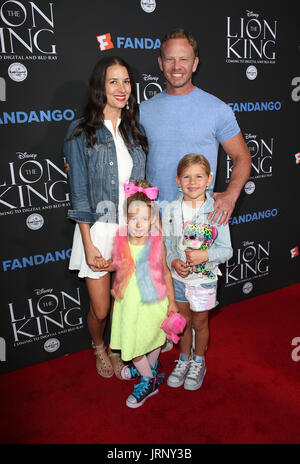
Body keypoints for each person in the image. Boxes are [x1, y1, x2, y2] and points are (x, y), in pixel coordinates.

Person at [63, 56, 147, 380]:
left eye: (126, 81)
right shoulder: (81, 131)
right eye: (113, 81)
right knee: (101, 308)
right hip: (97, 230)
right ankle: (98, 344)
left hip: (131, 231)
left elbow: (140, 184)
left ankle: (114, 347)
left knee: (124, 304)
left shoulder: (134, 129)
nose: (121, 88)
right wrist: (88, 244)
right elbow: (79, 192)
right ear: (100, 86)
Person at [140, 28, 251, 226]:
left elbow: (242, 157)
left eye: (184, 59)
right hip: (155, 224)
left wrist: (231, 195)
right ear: (160, 63)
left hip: (200, 223)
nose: (176, 66)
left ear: (195, 64)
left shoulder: (218, 109)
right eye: (169, 59)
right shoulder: (143, 112)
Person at [162, 154, 233, 390]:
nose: (192, 182)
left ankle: (198, 361)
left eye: (199, 176)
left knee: (200, 323)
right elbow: (168, 245)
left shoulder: (217, 210)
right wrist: (173, 261)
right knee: (183, 322)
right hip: (178, 279)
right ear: (177, 181)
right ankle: (184, 359)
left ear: (209, 179)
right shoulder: (171, 209)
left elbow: (227, 250)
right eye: (186, 177)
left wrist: (206, 255)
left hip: (204, 280)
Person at [109, 180, 178, 408]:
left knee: (152, 338)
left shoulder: (157, 242)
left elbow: (166, 274)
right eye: (133, 218)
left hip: (153, 303)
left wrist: (173, 304)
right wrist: (105, 264)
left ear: (152, 220)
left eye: (145, 219)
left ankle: (149, 379)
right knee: (133, 343)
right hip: (129, 303)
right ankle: (149, 372)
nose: (139, 224)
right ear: (126, 219)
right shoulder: (120, 239)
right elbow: (119, 265)